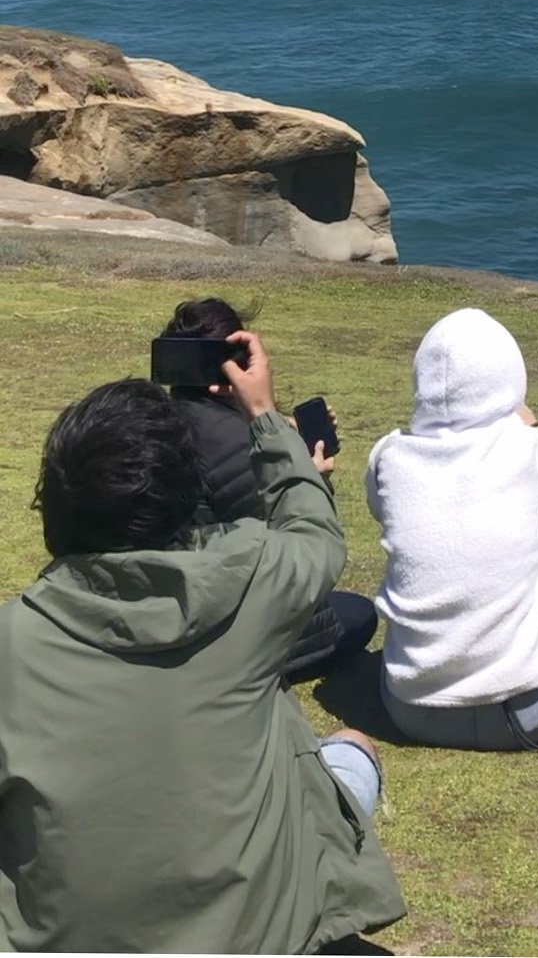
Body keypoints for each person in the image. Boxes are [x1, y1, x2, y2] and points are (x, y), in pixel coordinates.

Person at [0, 335, 405, 951]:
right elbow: (312, 527)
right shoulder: (253, 581)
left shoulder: (13, 642)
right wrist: (265, 416)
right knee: (348, 753)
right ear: (185, 498)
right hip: (259, 936)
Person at [366, 307, 538, 752]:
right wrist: (533, 425)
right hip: (529, 712)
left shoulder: (390, 455)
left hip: (409, 710)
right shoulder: (530, 447)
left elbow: (383, 510)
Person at [161, 297, 377, 683]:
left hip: (176, 599)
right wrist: (311, 479)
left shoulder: (161, 418)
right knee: (358, 615)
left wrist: (279, 427)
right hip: (227, 617)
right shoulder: (242, 445)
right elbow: (292, 547)